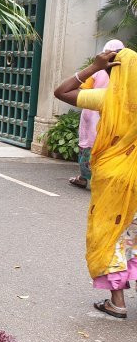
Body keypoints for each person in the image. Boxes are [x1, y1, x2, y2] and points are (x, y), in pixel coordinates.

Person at [53, 46, 137, 318]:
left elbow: (61, 92)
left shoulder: (105, 98)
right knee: (134, 236)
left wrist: (94, 67)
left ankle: (118, 302)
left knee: (112, 234)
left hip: (114, 177)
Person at [69, 38, 125, 189]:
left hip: (93, 108)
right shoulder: (127, 72)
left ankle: (84, 177)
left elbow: (81, 89)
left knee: (87, 144)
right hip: (115, 114)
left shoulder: (97, 70)